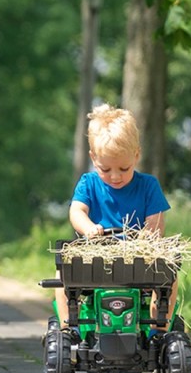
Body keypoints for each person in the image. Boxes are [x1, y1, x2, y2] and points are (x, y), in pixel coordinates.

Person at [55, 103, 178, 331]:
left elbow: (156, 221)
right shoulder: (88, 183)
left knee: (169, 273)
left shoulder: (148, 185)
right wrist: (89, 228)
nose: (115, 176)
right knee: (62, 271)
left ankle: (159, 327)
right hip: (97, 257)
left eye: (124, 169)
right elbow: (77, 211)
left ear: (136, 155)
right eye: (105, 169)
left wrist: (147, 237)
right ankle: (68, 327)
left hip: (138, 260)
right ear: (93, 158)